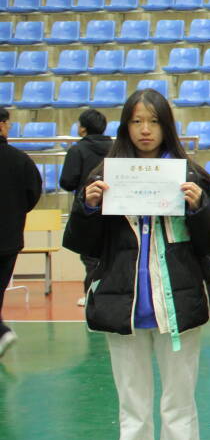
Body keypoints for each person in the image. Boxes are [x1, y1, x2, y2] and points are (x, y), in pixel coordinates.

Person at [62, 89, 210, 440]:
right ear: (125, 126)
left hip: (179, 305)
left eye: (153, 121)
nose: (145, 130)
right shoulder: (105, 175)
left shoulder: (192, 175)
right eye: (136, 121)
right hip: (124, 306)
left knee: (178, 404)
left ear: (166, 125)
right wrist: (89, 207)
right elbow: (80, 243)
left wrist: (199, 209)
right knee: (132, 408)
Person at [0, 106, 42, 358]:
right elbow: (33, 193)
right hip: (8, 237)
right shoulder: (20, 160)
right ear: (2, 125)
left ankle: (2, 331)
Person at [61, 108, 113, 304]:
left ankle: (92, 295)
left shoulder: (77, 150)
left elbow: (67, 181)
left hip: (89, 209)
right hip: (115, 208)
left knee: (90, 255)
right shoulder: (116, 148)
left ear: (83, 128)